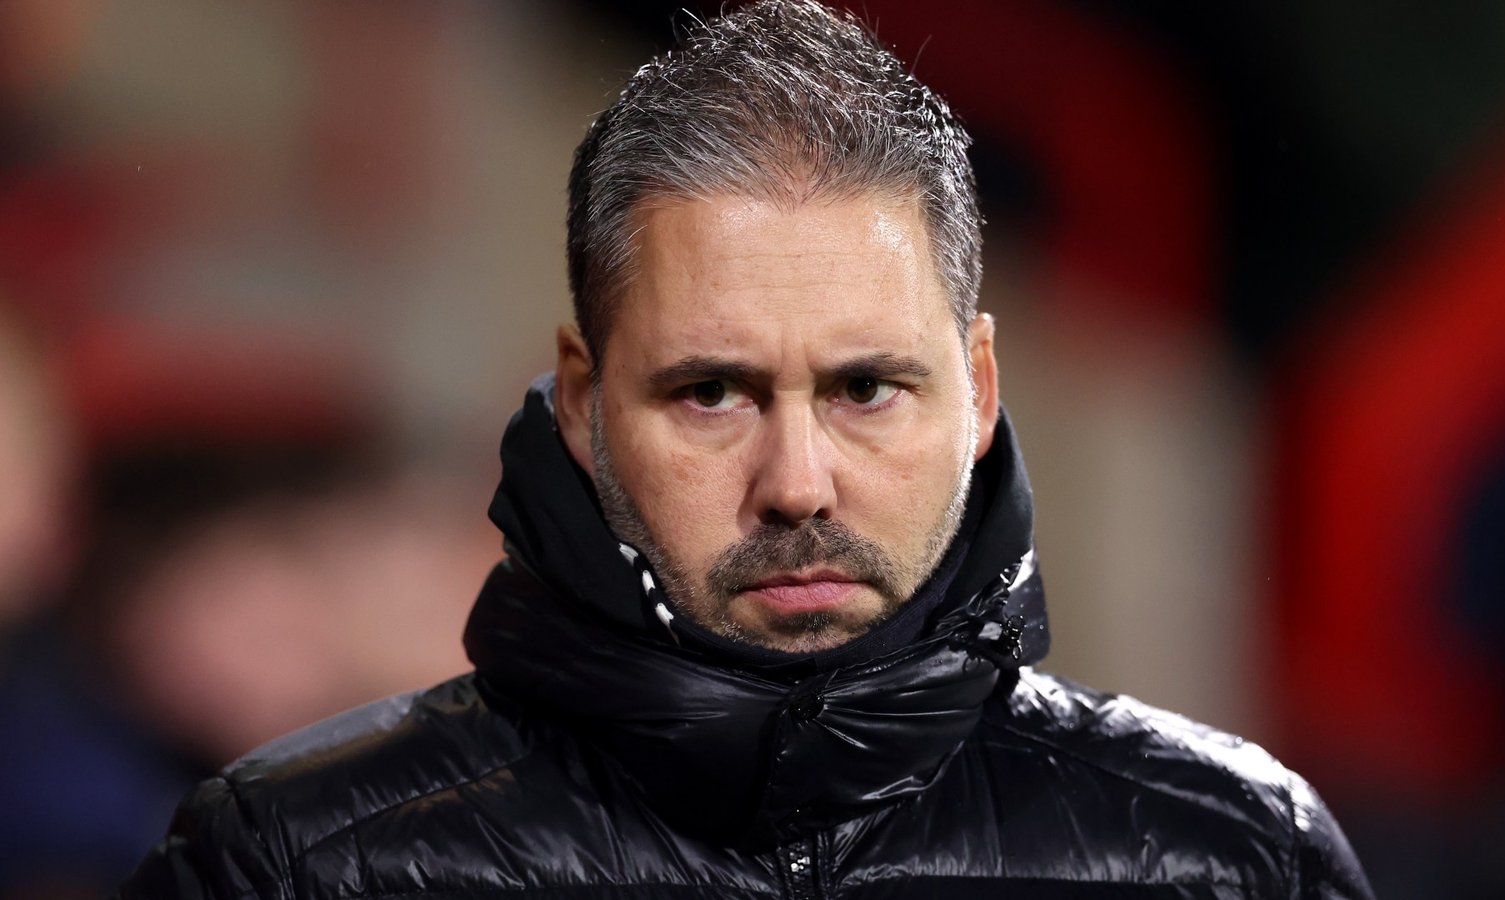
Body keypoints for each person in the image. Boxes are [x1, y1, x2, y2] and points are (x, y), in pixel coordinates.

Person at [119, 2, 1373, 897]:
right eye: (712, 393)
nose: (798, 486)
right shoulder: (291, 863)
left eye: (867, 389)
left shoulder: (1231, 853)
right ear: (580, 400)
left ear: (980, 390)